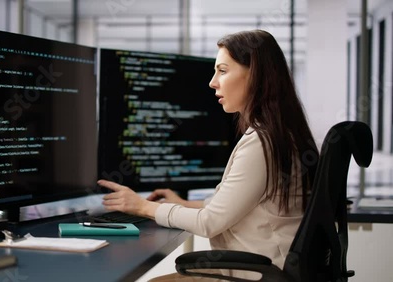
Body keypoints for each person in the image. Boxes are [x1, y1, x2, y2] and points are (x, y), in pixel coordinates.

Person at [97, 30, 319, 281]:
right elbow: (237, 204)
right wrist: (182, 204)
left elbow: (209, 223)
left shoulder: (261, 142)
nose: (212, 82)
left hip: (257, 273)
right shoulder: (280, 134)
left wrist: (142, 206)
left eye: (222, 71)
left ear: (255, 74)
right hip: (267, 269)